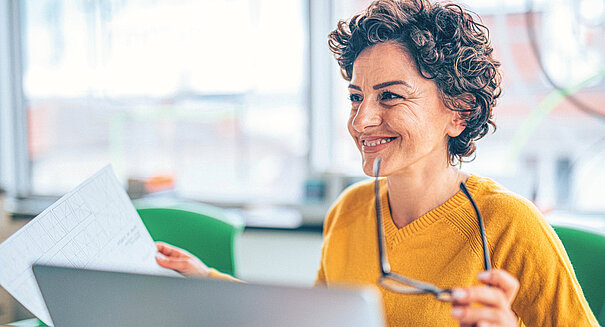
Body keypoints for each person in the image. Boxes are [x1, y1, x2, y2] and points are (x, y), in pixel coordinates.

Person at [155, 0, 599, 325]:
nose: (362, 119)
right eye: (355, 96)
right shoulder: (348, 212)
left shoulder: (510, 225)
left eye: (389, 95)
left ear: (458, 110)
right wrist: (206, 280)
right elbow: (317, 320)